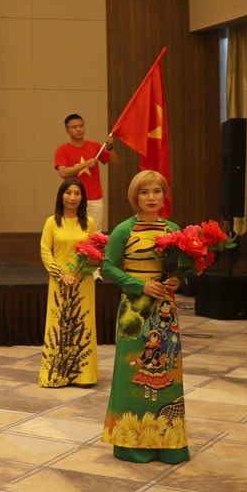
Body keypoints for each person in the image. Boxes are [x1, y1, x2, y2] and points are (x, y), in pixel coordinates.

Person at [101, 170, 187, 465]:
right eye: (144, 192)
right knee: (133, 372)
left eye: (156, 191)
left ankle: (168, 443)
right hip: (134, 313)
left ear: (164, 196)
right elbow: (108, 267)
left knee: (167, 370)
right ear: (134, 197)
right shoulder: (123, 230)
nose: (151, 197)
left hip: (165, 310)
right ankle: (131, 443)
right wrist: (140, 285)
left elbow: (180, 268)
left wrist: (176, 280)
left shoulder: (173, 230)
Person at [38, 178, 99, 388]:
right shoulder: (52, 222)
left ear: (82, 198)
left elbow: (94, 250)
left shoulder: (89, 222)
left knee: (82, 324)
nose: (72, 197)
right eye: (68, 193)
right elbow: (45, 251)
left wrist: (88, 265)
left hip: (83, 281)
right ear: (61, 196)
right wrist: (61, 275)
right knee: (59, 326)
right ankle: (56, 374)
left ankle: (83, 375)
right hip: (60, 282)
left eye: (77, 193)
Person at [54, 114, 114, 231]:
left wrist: (110, 147)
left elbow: (114, 162)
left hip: (94, 198)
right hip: (73, 198)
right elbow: (63, 172)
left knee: (94, 233)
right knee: (72, 231)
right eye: (74, 127)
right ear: (67, 131)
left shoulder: (95, 146)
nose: (79, 129)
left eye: (81, 126)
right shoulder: (62, 150)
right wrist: (85, 164)